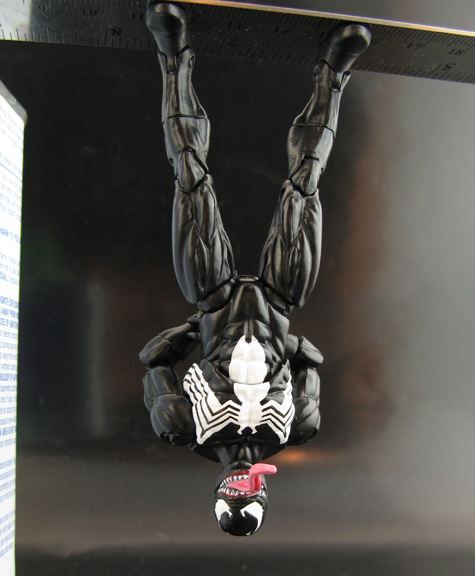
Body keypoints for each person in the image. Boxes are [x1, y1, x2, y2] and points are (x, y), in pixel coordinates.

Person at [140, 1, 370, 536]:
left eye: (233, 496)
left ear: (221, 493)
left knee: (191, 180)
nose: (241, 485)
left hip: (213, 302)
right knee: (305, 186)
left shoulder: (184, 428)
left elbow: (153, 360)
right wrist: (285, 343)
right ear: (261, 492)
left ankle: (173, 57)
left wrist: (195, 330)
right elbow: (312, 361)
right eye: (250, 495)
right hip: (278, 304)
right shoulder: (296, 428)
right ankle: (334, 75)